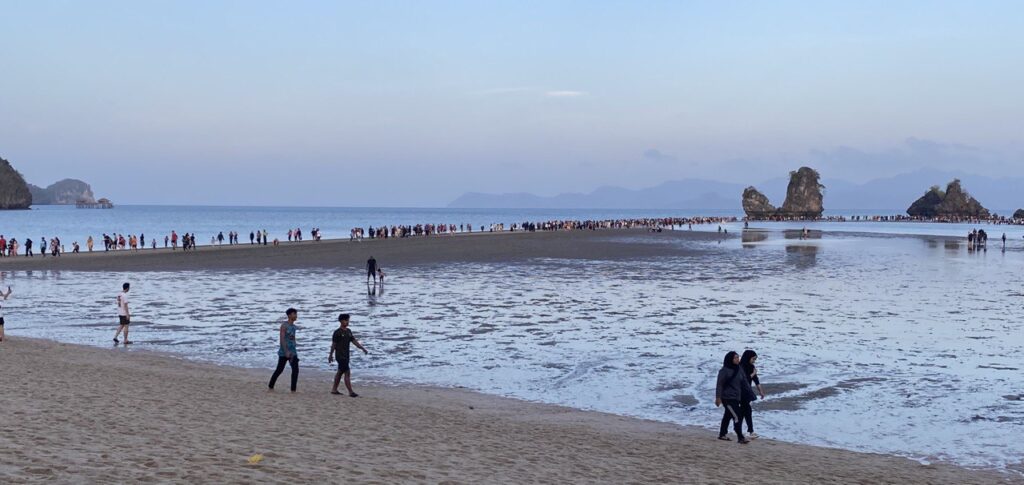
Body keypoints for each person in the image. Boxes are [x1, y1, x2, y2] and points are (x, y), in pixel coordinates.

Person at [715, 350, 755, 444]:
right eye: (735, 357)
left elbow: (745, 383)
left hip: (737, 397)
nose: (738, 359)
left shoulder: (739, 369)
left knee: (728, 415)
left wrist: (751, 395)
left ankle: (722, 434)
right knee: (737, 416)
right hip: (727, 398)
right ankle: (740, 437)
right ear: (730, 359)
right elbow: (719, 385)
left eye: (738, 357)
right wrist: (718, 398)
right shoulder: (724, 371)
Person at [328, 313, 368, 397]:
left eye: (348, 320)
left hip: (346, 355)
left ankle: (334, 389)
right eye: (346, 320)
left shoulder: (348, 331)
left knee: (339, 372)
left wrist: (362, 348)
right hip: (340, 355)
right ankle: (350, 392)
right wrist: (330, 355)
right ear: (341, 321)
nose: (347, 322)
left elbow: (354, 341)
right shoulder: (337, 332)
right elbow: (333, 344)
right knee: (347, 372)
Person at [269, 308, 300, 392]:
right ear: (289, 315)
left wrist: (294, 345)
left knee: (295, 370)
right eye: (294, 314)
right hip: (284, 352)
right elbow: (282, 339)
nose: (296, 316)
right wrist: (286, 351)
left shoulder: (293, 327)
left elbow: (293, 338)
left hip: (293, 352)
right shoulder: (284, 326)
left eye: (296, 314)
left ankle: (293, 389)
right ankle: (270, 386)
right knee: (279, 370)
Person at [739, 350, 766, 439]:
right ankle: (750, 431)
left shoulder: (751, 366)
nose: (754, 361)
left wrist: (761, 391)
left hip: (747, 392)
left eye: (755, 359)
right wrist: (753, 373)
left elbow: (756, 380)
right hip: (740, 391)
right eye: (753, 359)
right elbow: (744, 379)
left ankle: (741, 430)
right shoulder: (740, 366)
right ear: (748, 357)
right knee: (747, 410)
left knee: (744, 411)